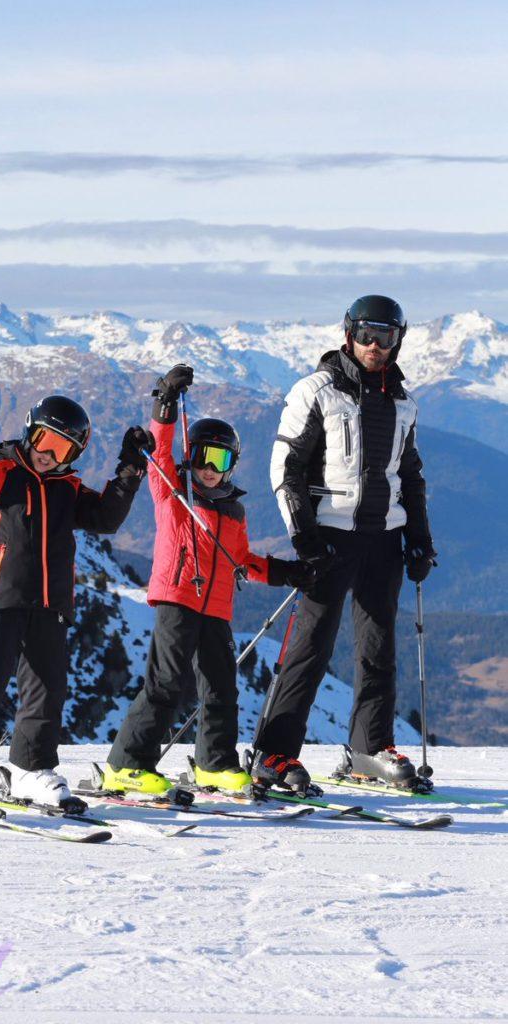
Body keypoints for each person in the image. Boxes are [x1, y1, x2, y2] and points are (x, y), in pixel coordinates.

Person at [0, 392, 152, 814]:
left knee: (47, 689)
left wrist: (130, 467)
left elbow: (105, 518)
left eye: (64, 448)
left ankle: (30, 769)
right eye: (46, 441)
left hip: (51, 600)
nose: (50, 455)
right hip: (1, 591)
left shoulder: (67, 487)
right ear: (30, 430)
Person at [251, 294, 436, 793]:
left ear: (400, 339)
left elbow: (410, 475)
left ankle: (369, 750)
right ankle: (275, 754)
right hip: (329, 538)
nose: (375, 345)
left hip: (385, 539)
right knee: (310, 648)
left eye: (386, 336)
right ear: (348, 333)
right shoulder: (317, 390)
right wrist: (304, 538)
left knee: (379, 651)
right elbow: (284, 468)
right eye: (366, 334)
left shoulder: (403, 402)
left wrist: (420, 539)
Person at [104, 364, 317, 796]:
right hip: (178, 598)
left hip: (216, 606)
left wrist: (286, 572)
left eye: (219, 460)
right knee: (165, 683)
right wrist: (165, 402)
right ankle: (127, 764)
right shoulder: (172, 492)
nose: (209, 469)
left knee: (221, 688)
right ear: (192, 457)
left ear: (231, 465)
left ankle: (214, 764)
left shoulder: (232, 511)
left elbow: (241, 561)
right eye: (202, 457)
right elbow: (159, 452)